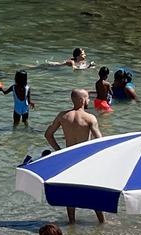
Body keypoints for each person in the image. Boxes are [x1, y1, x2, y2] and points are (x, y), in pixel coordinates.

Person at [44, 90, 105, 225]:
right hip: (85, 158)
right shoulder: (90, 118)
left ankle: (71, 222)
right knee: (93, 190)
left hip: (68, 158)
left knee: (70, 191)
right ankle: (102, 221)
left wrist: (59, 151)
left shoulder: (63, 116)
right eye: (88, 99)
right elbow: (100, 140)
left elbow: (48, 134)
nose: (89, 101)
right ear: (83, 100)